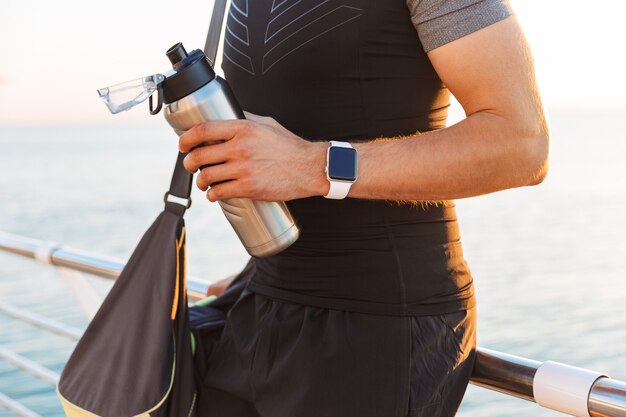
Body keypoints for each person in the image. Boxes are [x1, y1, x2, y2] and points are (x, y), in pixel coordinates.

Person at [181, 0, 549, 416]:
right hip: (261, 305)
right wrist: (258, 274)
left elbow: (522, 143)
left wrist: (314, 165)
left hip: (378, 324)